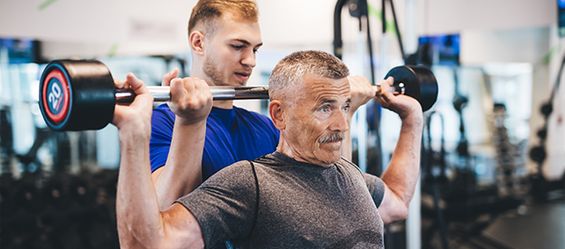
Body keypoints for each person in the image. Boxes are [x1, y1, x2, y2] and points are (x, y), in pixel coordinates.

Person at [114, 50, 423, 248]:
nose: (343, 124)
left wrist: (412, 120)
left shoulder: (350, 174)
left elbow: (397, 201)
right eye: (325, 108)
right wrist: (133, 134)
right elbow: (149, 244)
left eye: (345, 106)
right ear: (278, 114)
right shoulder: (251, 183)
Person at [149, 0, 376, 211]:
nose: (250, 61)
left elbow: (333, 192)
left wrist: (346, 111)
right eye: (238, 46)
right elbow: (163, 212)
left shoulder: (265, 126)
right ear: (198, 43)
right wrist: (191, 121)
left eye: (255, 49)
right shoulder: (162, 122)